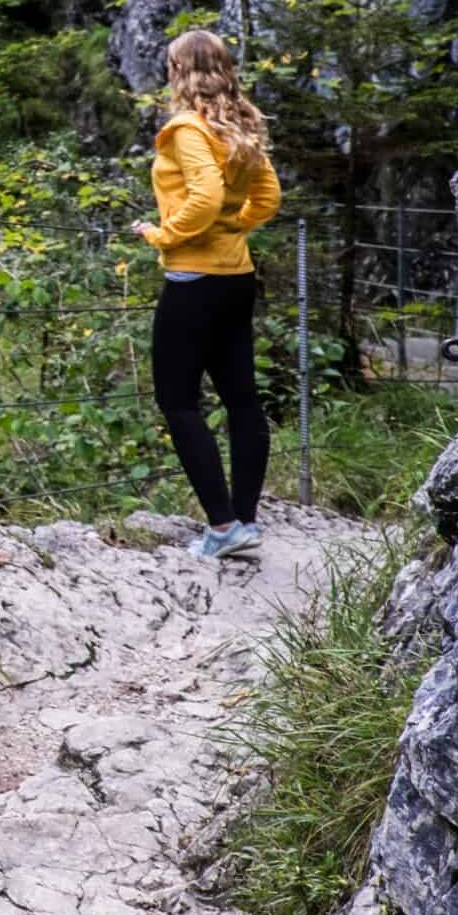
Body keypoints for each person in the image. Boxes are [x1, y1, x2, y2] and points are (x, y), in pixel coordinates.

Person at [131, 29, 282, 559]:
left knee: (178, 402)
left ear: (179, 72)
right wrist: (234, 229)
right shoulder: (242, 123)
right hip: (237, 280)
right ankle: (244, 520)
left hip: (193, 282)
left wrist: (163, 235)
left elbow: (205, 195)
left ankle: (222, 529)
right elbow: (267, 194)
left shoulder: (187, 130)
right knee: (241, 398)